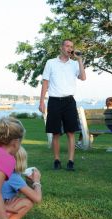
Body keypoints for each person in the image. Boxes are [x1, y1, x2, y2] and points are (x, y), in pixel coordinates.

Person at [39, 39, 86, 171]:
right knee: (55, 133)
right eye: (67, 46)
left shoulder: (75, 64)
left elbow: (83, 77)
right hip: (54, 101)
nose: (70, 48)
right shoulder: (51, 63)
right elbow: (45, 83)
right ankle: (57, 160)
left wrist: (80, 60)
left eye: (71, 46)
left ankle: (70, 161)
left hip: (69, 101)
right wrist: (41, 101)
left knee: (71, 132)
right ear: (61, 47)